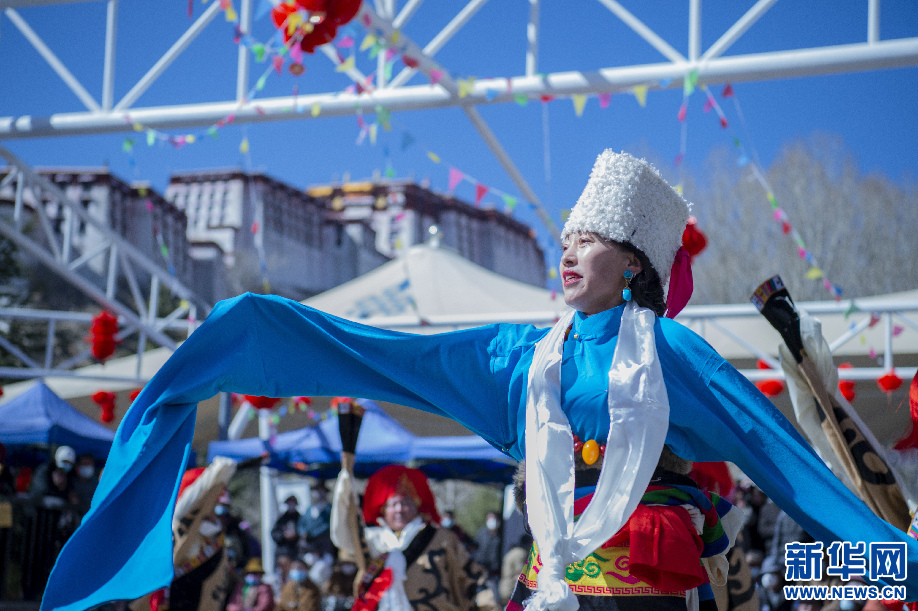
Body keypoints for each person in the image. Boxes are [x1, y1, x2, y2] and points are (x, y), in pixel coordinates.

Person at [41, 151, 918, 611]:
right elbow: (387, 357)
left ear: (635, 262)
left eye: (588, 239)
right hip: (554, 582)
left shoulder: (671, 355)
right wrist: (258, 333)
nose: (568, 250)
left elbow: (782, 459)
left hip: (649, 583)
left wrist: (889, 562)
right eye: (565, 236)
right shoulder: (520, 357)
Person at [341, 464, 497, 611]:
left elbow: (471, 579)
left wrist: (488, 606)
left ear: (417, 506)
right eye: (393, 504)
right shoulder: (371, 541)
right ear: (383, 509)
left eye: (406, 503)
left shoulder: (442, 539)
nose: (399, 509)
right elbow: (342, 534)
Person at [298, 482, 333, 559]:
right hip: (310, 545)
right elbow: (302, 524)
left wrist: (314, 532)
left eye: (321, 491)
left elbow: (328, 525)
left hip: (325, 544)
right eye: (317, 491)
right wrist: (303, 533)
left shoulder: (329, 509)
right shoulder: (309, 509)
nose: (319, 494)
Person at [272, 495, 302, 560]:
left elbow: (305, 532)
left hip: (297, 551)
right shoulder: (281, 519)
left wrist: (296, 534)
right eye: (289, 502)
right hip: (283, 551)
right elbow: (274, 533)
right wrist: (283, 535)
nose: (291, 505)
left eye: (293, 502)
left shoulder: (300, 518)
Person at [71, 453, 99, 518]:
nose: (87, 467)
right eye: (85, 464)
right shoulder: (72, 484)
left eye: (89, 464)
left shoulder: (97, 484)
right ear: (78, 467)